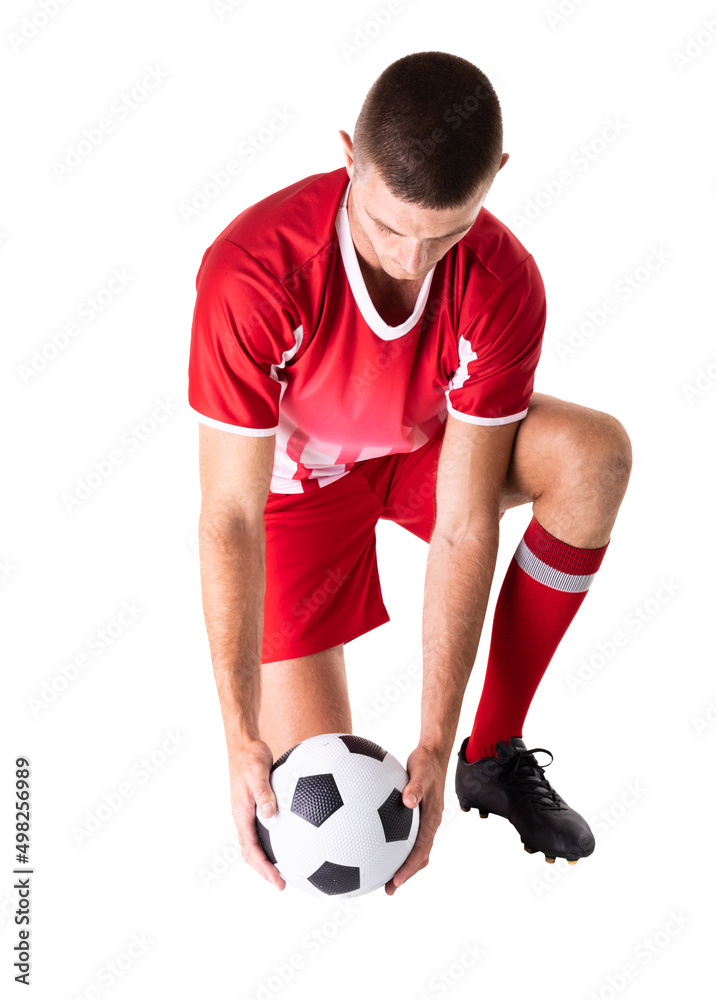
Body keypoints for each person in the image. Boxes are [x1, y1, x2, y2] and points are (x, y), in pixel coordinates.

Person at [187, 51, 632, 895]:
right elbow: (231, 516)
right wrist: (238, 730)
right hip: (293, 497)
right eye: (388, 227)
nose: (411, 260)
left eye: (446, 233)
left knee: (594, 453)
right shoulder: (254, 272)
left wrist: (437, 730)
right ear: (350, 156)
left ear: (494, 178)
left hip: (419, 454)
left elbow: (467, 522)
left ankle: (492, 754)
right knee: (322, 809)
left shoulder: (504, 281)